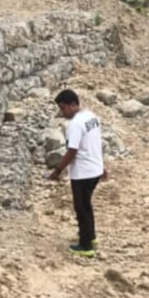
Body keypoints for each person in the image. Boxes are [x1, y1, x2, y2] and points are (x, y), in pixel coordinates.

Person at [48, 89, 107, 257]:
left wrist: (57, 170)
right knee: (87, 205)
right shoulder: (92, 117)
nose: (62, 112)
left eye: (64, 108)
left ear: (73, 104)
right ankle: (92, 237)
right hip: (94, 169)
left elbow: (72, 151)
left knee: (81, 207)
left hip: (83, 172)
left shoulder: (75, 124)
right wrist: (101, 166)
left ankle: (85, 246)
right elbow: (94, 143)